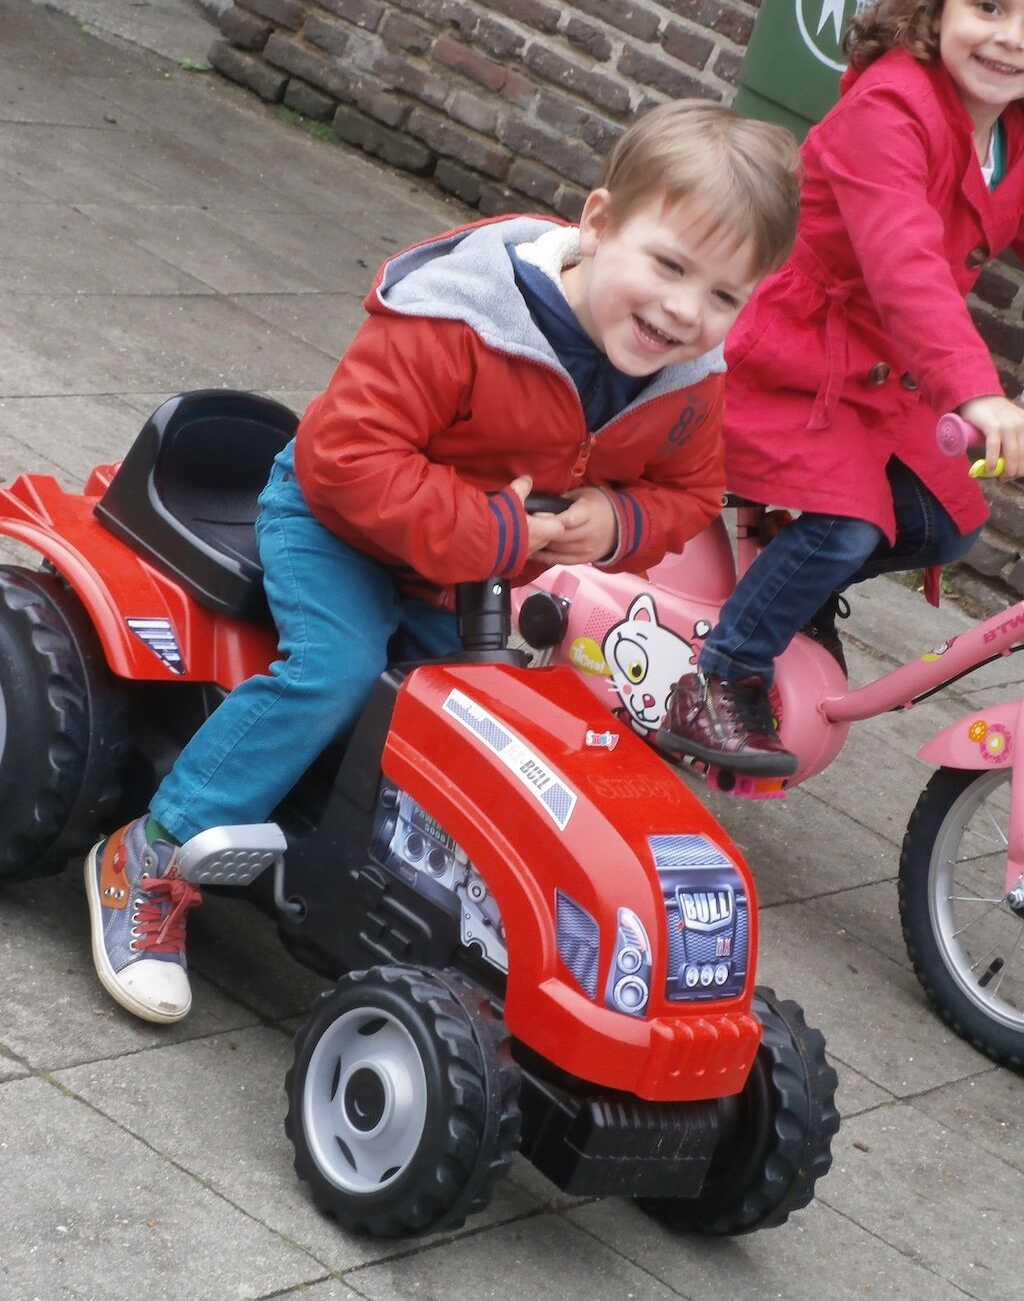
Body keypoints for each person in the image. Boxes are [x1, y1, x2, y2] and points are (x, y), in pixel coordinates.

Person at [84, 100, 802, 1023]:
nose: (684, 311)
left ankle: (432, 910)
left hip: (465, 568)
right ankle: (154, 850)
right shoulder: (463, 316)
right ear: (598, 222)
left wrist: (619, 522)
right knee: (337, 669)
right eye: (668, 265)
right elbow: (346, 460)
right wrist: (496, 534)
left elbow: (692, 494)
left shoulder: (689, 383)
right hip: (335, 526)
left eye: (724, 297)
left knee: (489, 726)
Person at [659, 0, 1024, 779]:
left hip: (882, 382)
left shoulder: (1009, 130)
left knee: (951, 520)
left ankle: (790, 592)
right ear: (940, 2)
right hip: (794, 364)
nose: (1010, 38)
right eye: (989, 6)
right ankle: (719, 675)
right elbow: (904, 265)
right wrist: (975, 392)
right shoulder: (890, 110)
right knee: (846, 526)